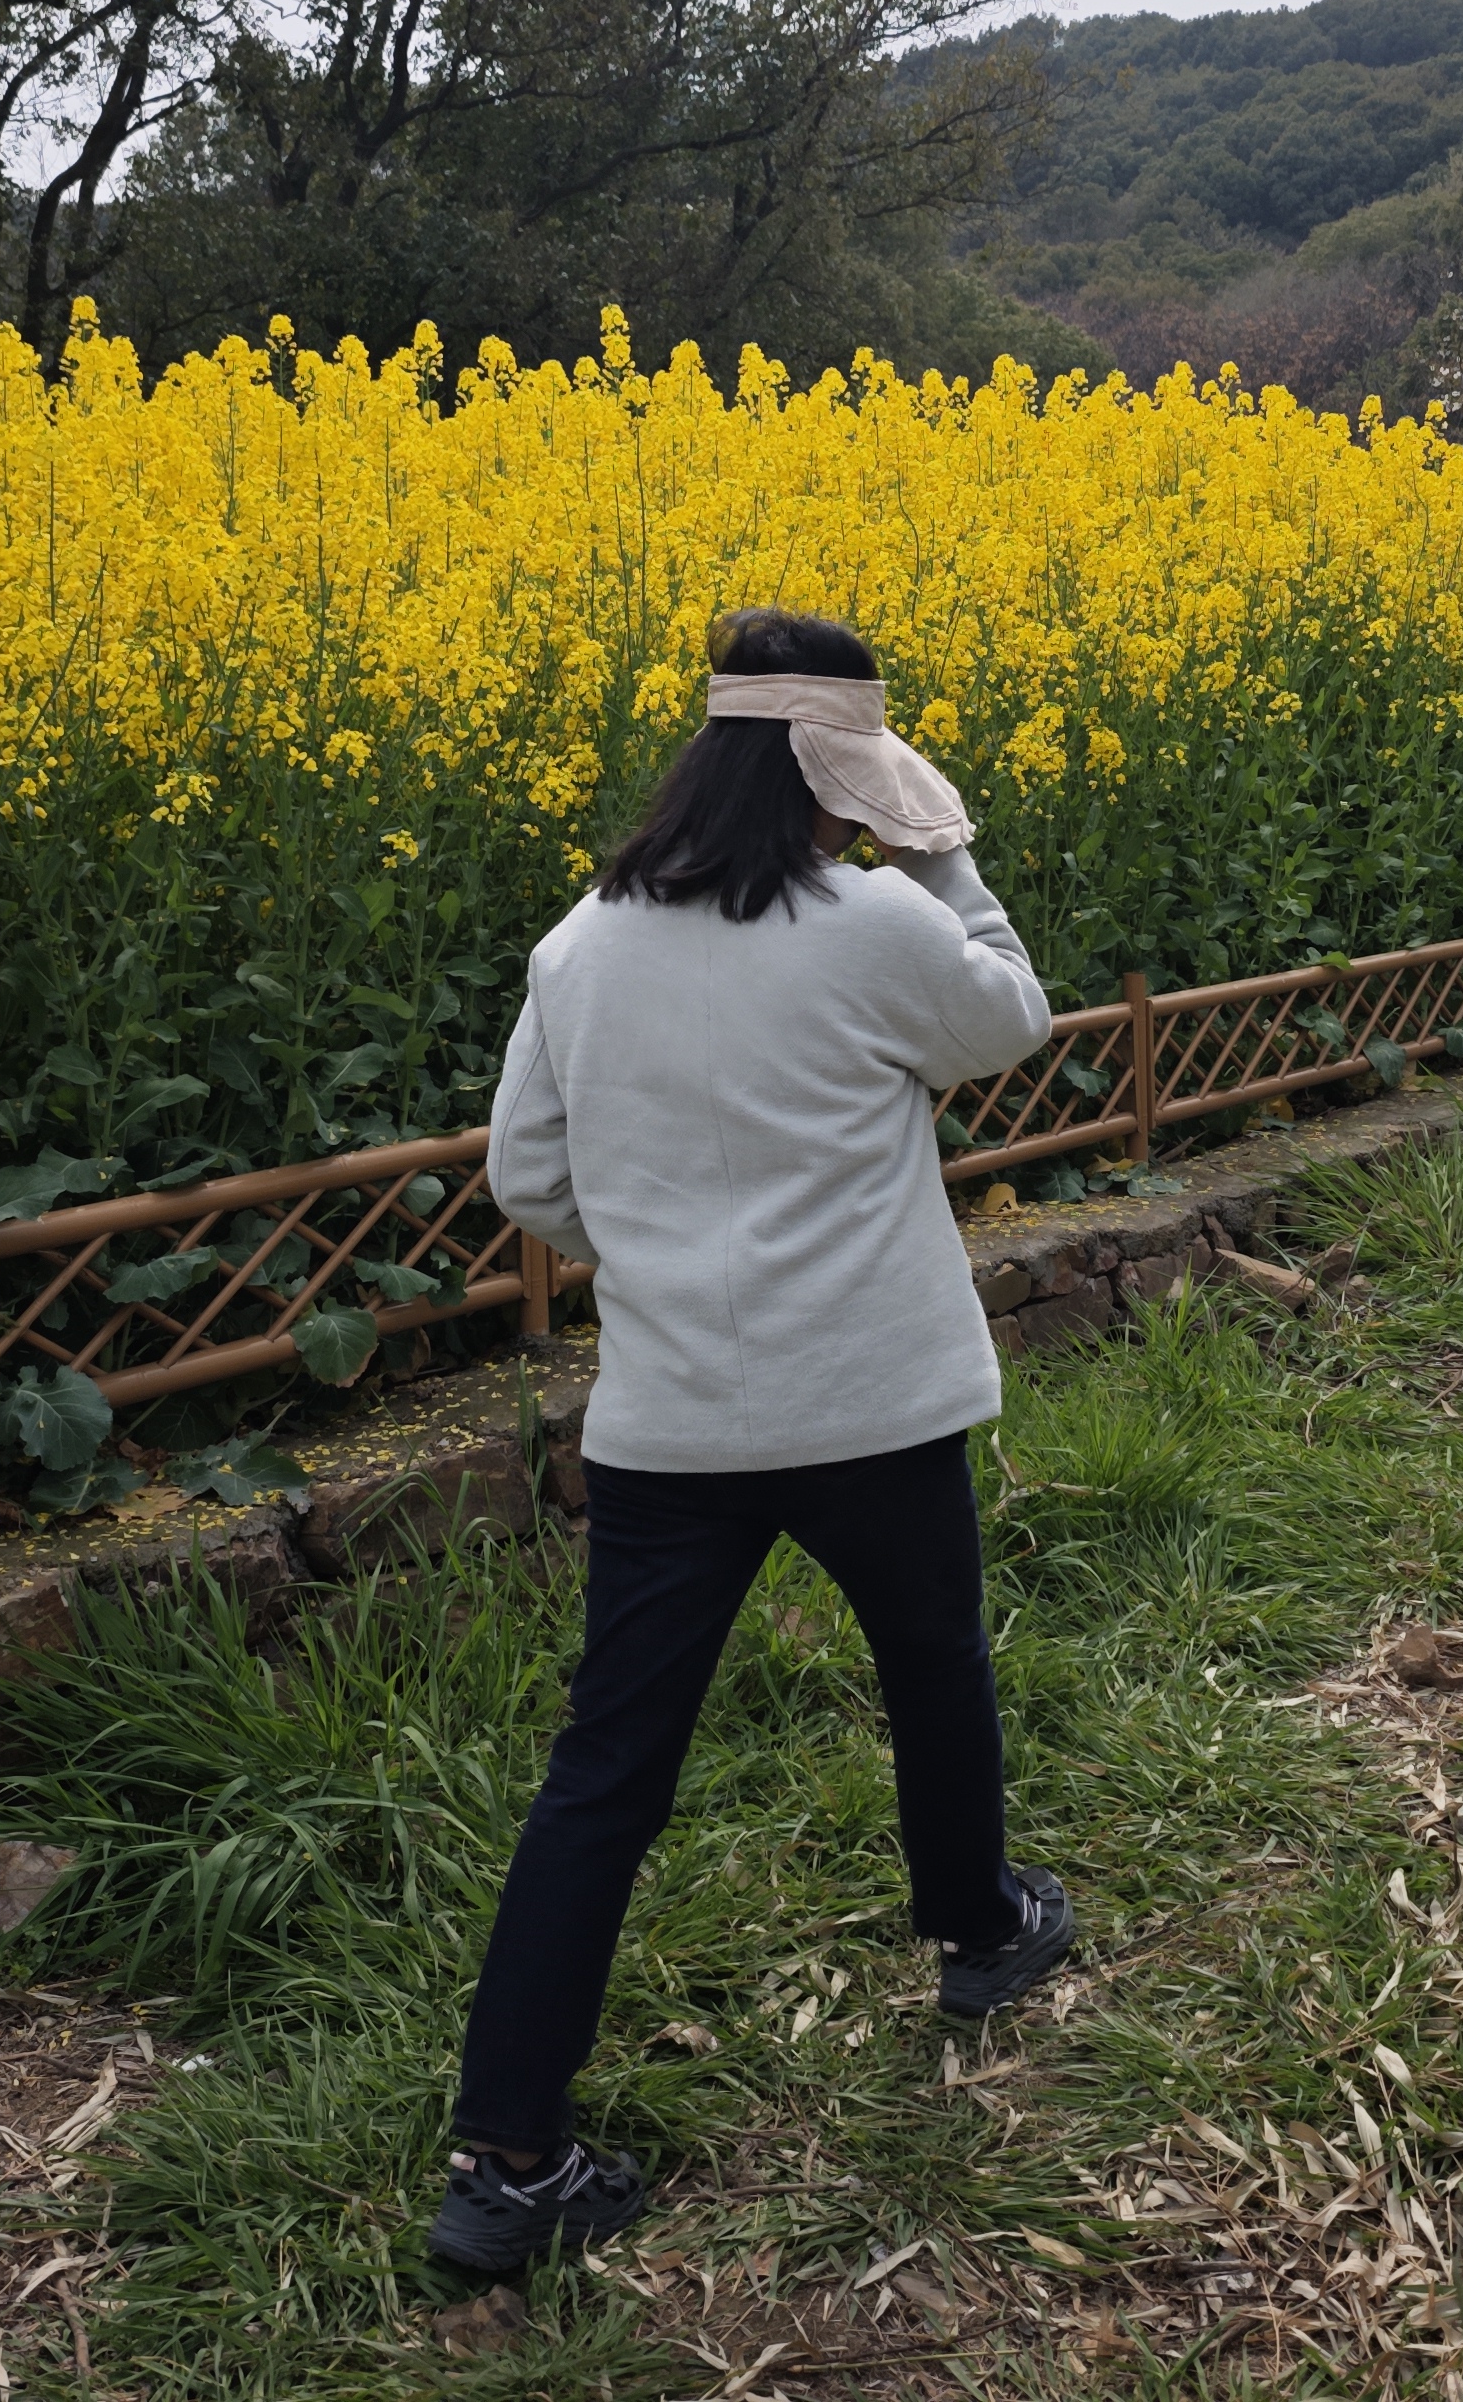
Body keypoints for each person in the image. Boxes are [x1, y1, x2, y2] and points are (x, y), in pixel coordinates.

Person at [428, 606, 1078, 2277]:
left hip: (670, 1426)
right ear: (834, 775)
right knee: (934, 1667)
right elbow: (1012, 1018)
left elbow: (527, 1181)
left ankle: (505, 2160)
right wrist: (941, 850)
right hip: (871, 1401)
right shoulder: (870, 919)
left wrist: (657, 1252)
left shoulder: (579, 945)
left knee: (607, 1771)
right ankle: (979, 1930)